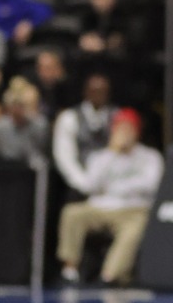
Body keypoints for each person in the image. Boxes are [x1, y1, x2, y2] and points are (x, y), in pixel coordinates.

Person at [56, 108, 161, 285]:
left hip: (133, 210)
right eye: (121, 129)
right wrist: (112, 152)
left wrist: (119, 188)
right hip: (100, 207)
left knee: (133, 231)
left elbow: (151, 184)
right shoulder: (100, 156)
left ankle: (108, 276)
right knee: (72, 213)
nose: (125, 134)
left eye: (129, 129)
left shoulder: (150, 156)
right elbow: (91, 184)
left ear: (137, 131)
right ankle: (69, 270)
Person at [52, 72, 117, 194]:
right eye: (94, 91)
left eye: (102, 91)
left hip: (113, 187)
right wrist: (84, 183)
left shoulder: (117, 116)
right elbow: (64, 156)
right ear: (85, 92)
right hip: (78, 186)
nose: (98, 95)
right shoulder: (69, 117)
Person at [0, 77, 50, 169]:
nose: (17, 109)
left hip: (31, 167)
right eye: (14, 106)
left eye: (21, 106)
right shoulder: (0, 127)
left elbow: (43, 151)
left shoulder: (39, 125)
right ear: (8, 108)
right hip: (6, 167)